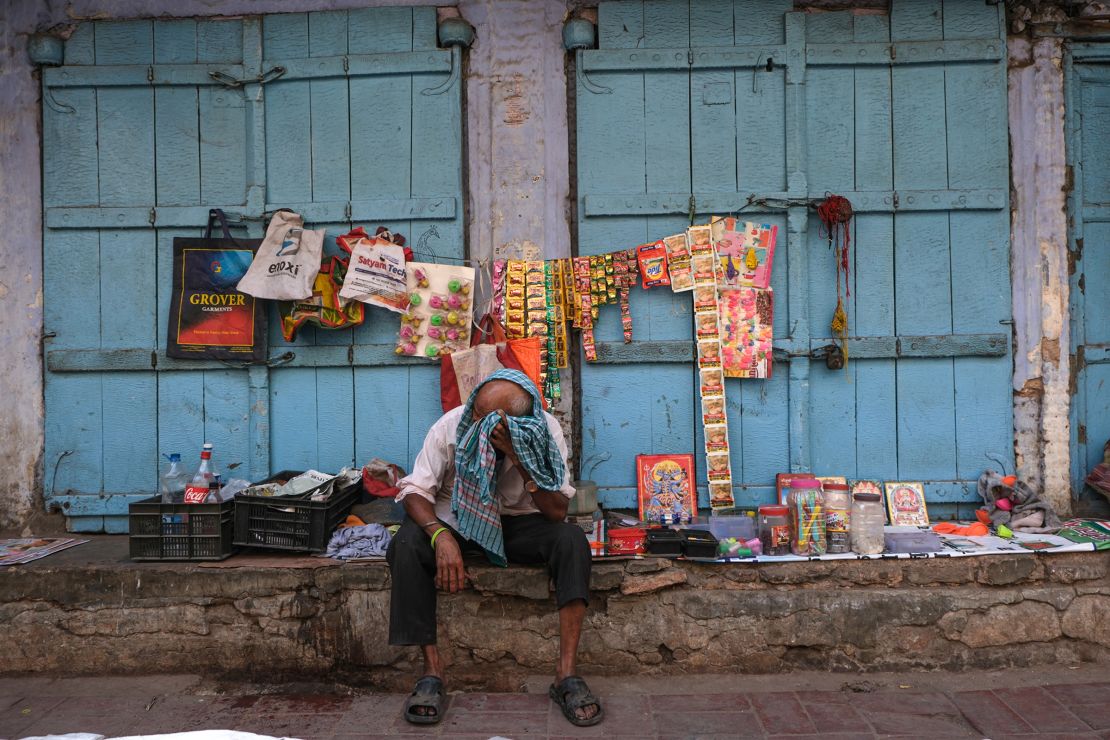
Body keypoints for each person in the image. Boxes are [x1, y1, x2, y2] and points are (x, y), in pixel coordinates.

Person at [386, 369, 603, 728]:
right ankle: (431, 674)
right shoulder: (451, 425)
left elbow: (557, 511)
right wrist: (440, 537)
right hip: (455, 521)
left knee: (572, 541)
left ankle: (566, 675)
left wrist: (518, 456)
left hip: (516, 524)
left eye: (482, 418)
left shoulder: (544, 433)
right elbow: (413, 492)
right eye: (474, 410)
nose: (472, 419)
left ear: (511, 425)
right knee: (406, 543)